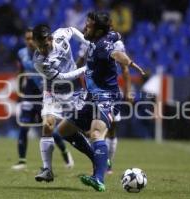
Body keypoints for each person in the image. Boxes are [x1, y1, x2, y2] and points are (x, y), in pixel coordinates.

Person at [57, 11, 145, 192]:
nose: (84, 28)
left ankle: (98, 178)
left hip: (107, 97)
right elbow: (115, 33)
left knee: (97, 134)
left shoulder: (102, 45)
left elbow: (117, 55)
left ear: (97, 31)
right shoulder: (104, 37)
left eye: (88, 26)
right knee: (63, 131)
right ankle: (100, 159)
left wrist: (130, 63)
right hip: (91, 97)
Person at [32, 24, 95, 182]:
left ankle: (97, 159)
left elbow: (72, 30)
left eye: (45, 45)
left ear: (51, 39)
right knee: (47, 125)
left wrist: (87, 43)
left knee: (83, 131)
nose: (43, 50)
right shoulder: (39, 61)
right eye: (39, 47)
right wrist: (85, 69)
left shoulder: (60, 35)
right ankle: (47, 169)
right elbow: (62, 77)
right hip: (53, 91)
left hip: (74, 91)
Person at [11, 28, 74, 171]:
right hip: (29, 93)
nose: (29, 42)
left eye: (30, 39)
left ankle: (65, 154)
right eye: (26, 39)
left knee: (48, 128)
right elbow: (21, 72)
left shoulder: (45, 53)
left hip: (45, 94)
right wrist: (19, 92)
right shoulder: (21, 54)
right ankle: (21, 161)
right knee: (24, 125)